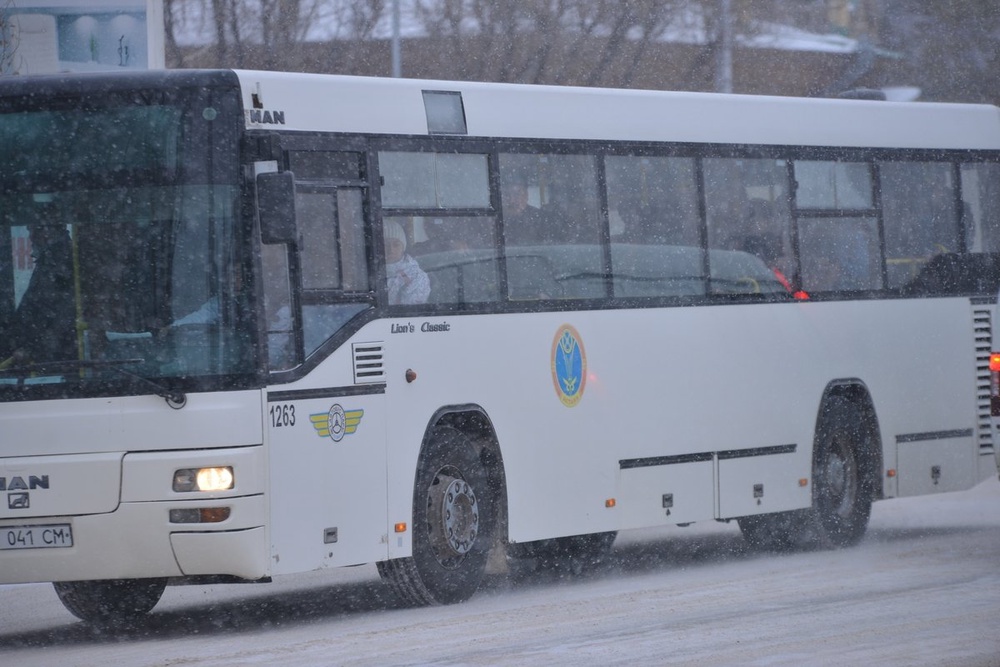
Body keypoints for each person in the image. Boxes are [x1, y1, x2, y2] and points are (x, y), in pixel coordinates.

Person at [0, 222, 77, 366]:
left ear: (46, 231)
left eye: (32, 230)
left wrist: (31, 348)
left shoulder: (58, 262)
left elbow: (55, 311)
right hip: (45, 355)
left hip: (55, 360)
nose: (30, 237)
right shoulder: (50, 259)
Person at [384, 221, 430, 305]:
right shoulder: (367, 274)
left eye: (396, 245)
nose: (391, 250)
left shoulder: (417, 276)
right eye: (385, 245)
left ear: (403, 247)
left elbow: (411, 310)